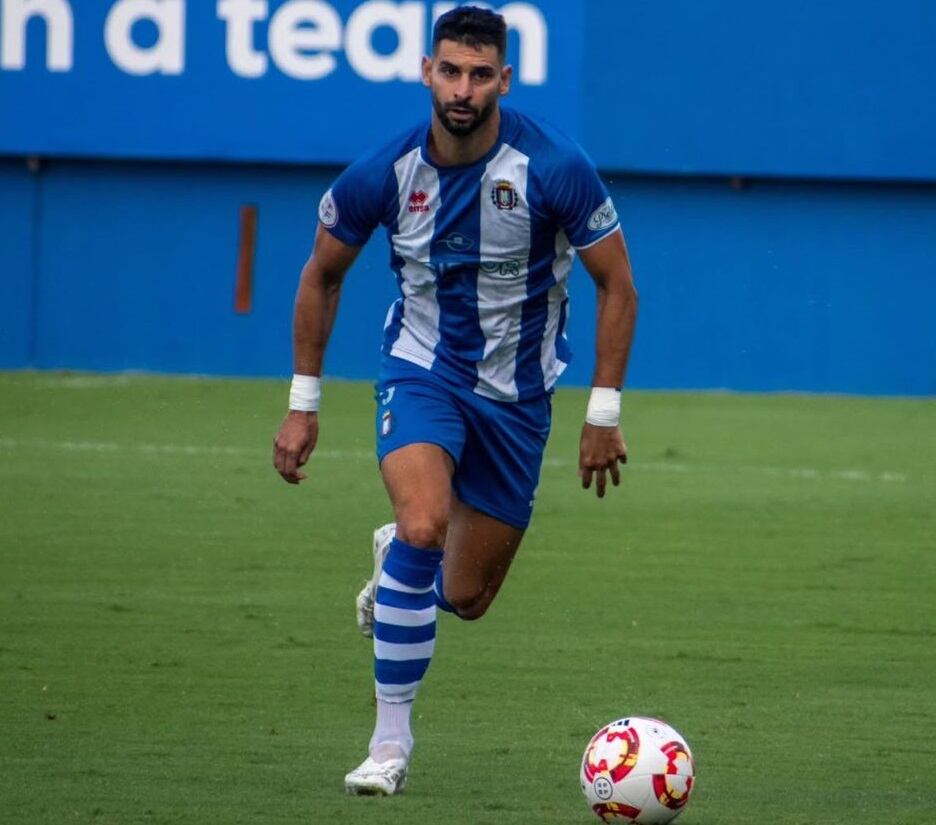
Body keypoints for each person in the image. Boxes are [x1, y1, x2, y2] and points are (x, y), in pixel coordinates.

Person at [272, 6, 638, 796]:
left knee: (464, 595)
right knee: (424, 523)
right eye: (450, 71)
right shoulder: (384, 172)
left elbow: (619, 286)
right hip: (421, 373)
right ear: (426, 73)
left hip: (519, 399)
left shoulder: (555, 166)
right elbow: (321, 275)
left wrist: (601, 414)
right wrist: (304, 403)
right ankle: (389, 744)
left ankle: (398, 566)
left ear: (504, 80)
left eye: (480, 74)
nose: (463, 89)